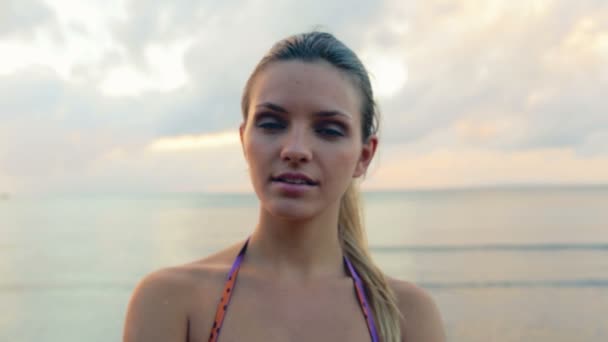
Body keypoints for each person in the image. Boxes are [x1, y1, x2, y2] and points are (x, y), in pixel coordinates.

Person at [123, 31, 445, 342]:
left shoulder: (405, 315)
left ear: (364, 156)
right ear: (243, 140)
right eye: (272, 124)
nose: (295, 149)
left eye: (329, 130)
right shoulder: (172, 302)